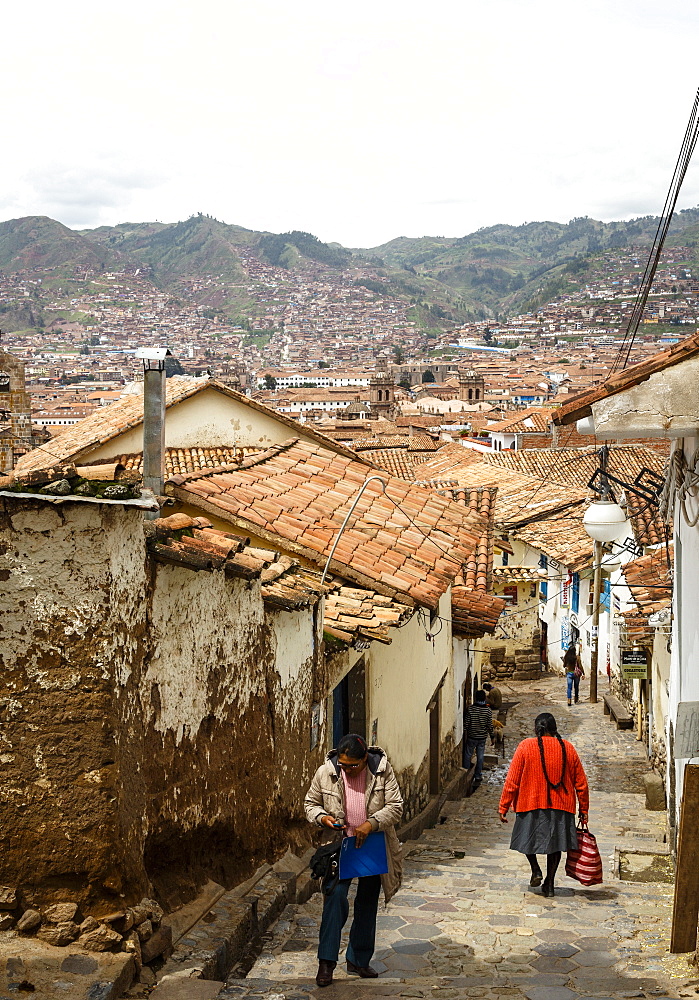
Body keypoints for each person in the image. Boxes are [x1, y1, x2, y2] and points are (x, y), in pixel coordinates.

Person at [304, 734, 403, 988]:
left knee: (367, 902)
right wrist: (323, 818)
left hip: (371, 846)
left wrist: (371, 823)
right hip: (340, 847)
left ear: (364, 760)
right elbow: (310, 804)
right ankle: (326, 962)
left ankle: (358, 959)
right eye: (343, 765)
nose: (346, 770)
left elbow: (396, 806)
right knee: (335, 900)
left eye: (352, 766)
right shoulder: (326, 772)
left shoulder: (382, 771)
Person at [498, 712, 589, 898]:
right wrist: (584, 809)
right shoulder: (567, 748)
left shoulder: (525, 747)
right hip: (561, 806)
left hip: (530, 803)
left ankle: (535, 870)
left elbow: (512, 781)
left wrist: (503, 806)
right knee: (555, 845)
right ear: (555, 728)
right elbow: (581, 782)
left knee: (526, 839)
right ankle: (549, 882)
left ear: (536, 728)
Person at [463, 690, 494, 789]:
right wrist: (492, 737)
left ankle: (465, 773)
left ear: (475, 698)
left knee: (468, 754)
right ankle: (478, 775)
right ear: (484, 698)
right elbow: (489, 725)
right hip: (482, 737)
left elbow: (466, 723)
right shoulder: (488, 710)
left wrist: (464, 731)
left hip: (472, 736)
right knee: (480, 756)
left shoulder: (471, 709)